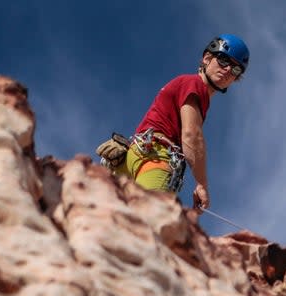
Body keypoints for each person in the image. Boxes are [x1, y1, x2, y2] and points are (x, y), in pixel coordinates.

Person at [98, 34, 249, 211]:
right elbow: (192, 135)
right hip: (154, 159)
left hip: (131, 158)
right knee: (148, 227)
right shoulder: (194, 84)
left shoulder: (187, 87)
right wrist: (202, 184)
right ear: (207, 58)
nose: (228, 69)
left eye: (236, 69)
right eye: (224, 60)